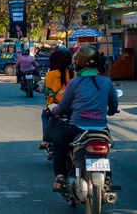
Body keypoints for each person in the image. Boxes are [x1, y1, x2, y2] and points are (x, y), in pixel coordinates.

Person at [50, 45, 118, 192]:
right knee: (105, 152)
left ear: (78, 62)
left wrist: (54, 111)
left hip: (78, 128)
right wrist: (111, 112)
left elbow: (63, 106)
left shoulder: (75, 83)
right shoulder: (106, 82)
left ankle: (60, 177)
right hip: (101, 129)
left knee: (58, 145)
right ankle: (108, 178)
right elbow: (113, 106)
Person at [39, 51, 75, 149]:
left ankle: (46, 141)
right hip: (72, 105)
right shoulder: (73, 73)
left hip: (55, 106)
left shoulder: (50, 74)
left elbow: (46, 91)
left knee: (45, 116)